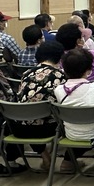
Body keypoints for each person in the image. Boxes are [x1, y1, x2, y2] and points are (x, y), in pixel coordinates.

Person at [53, 48, 94, 174]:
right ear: (88, 70)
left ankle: (68, 161)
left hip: (72, 134)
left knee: (81, 125)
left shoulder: (58, 90)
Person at [13, 41, 67, 169]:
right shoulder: (60, 76)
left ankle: (44, 154)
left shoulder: (26, 74)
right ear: (60, 57)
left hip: (20, 128)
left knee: (30, 116)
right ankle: (69, 160)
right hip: (48, 129)